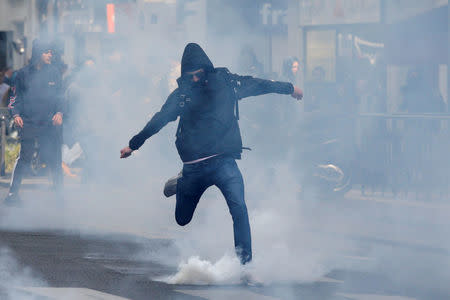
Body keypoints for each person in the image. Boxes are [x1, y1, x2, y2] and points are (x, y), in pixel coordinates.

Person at [120, 43, 303, 265]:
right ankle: (180, 184)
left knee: (239, 208)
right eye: (190, 76)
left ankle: (244, 265)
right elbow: (160, 118)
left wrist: (290, 88)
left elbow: (257, 85)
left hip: (223, 162)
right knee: (182, 219)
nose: (195, 80)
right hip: (193, 168)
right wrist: (134, 144)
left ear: (207, 69)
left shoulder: (227, 83)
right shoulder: (182, 95)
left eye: (199, 74)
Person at [4, 39, 64, 205]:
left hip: (49, 123)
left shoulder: (54, 72)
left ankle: (60, 198)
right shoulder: (22, 74)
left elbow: (61, 97)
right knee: (25, 157)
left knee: (54, 159)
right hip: (29, 122)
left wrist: (59, 112)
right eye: (47, 52)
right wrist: (15, 114)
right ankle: (12, 195)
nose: (50, 55)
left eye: (51, 52)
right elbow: (14, 98)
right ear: (38, 53)